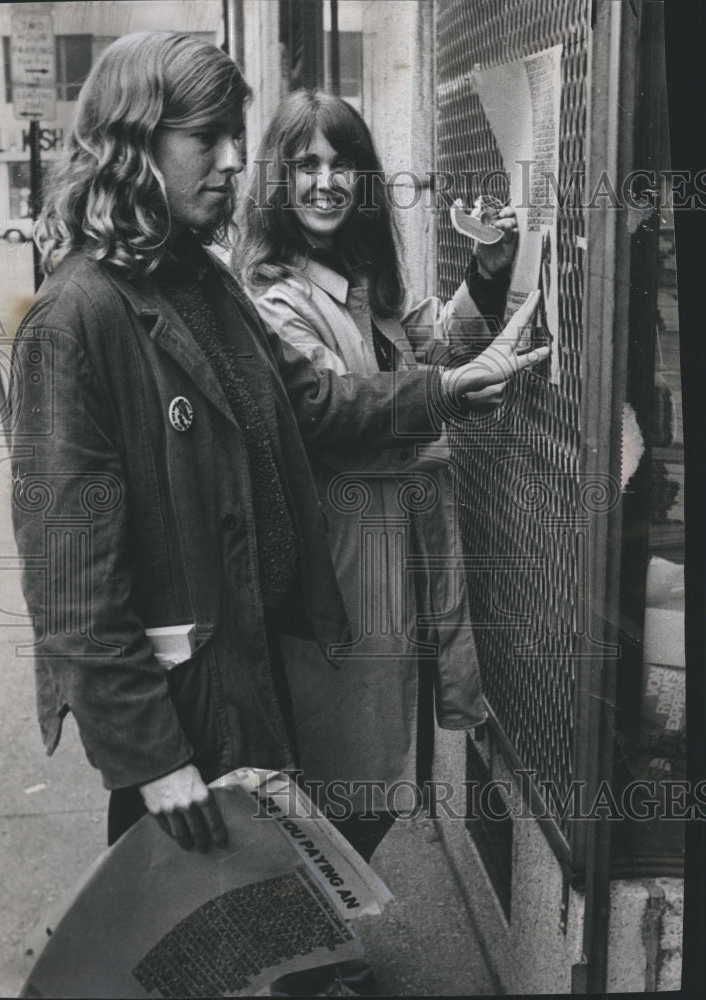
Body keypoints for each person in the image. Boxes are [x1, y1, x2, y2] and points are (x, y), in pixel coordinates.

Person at [9, 33, 545, 996]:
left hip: (245, 676)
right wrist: (151, 761)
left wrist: (450, 384)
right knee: (173, 943)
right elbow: (72, 590)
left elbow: (314, 402)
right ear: (133, 144)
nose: (230, 163)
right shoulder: (74, 320)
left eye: (233, 137)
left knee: (237, 929)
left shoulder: (201, 279)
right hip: (177, 714)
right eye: (206, 137)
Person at [238, 90, 525, 994]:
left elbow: (419, 352)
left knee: (373, 775)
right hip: (338, 571)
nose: (326, 181)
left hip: (387, 566)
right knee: (346, 782)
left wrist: (490, 270)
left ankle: (300, 952)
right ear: (279, 180)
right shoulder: (271, 295)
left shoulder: (359, 281)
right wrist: (446, 392)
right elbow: (326, 408)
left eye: (342, 164)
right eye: (307, 164)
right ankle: (291, 962)